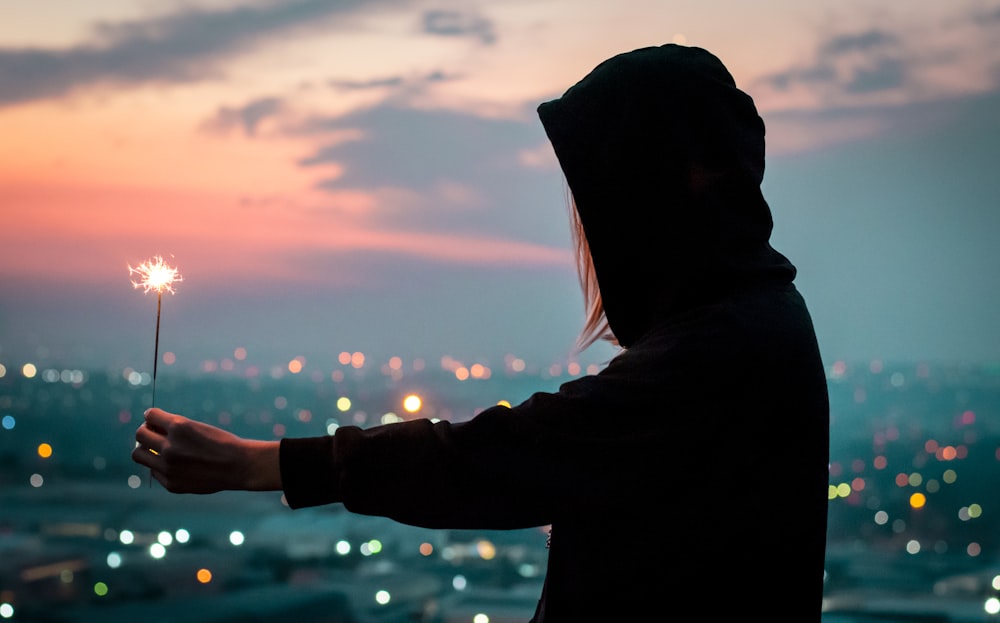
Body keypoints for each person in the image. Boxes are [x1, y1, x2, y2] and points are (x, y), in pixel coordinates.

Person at [132, 43, 830, 622]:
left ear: (669, 185)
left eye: (606, 187)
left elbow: (504, 456)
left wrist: (260, 463)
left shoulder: (726, 350)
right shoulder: (745, 327)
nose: (590, 226)